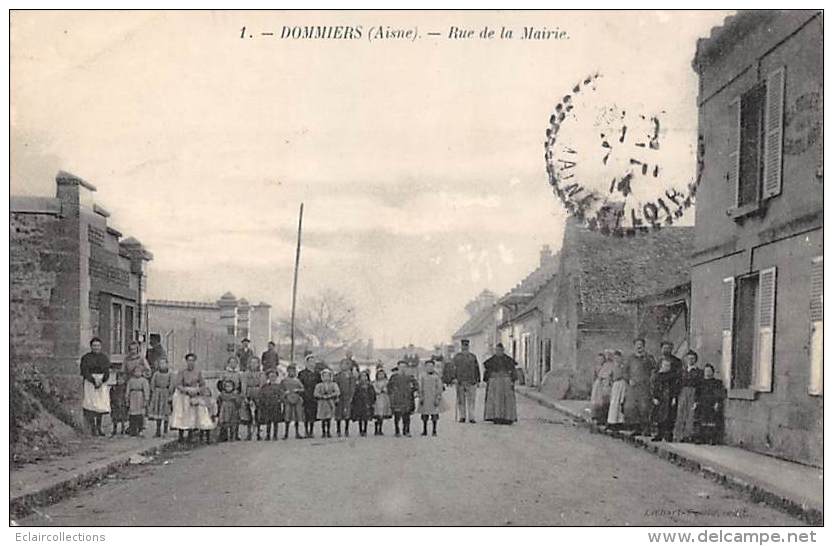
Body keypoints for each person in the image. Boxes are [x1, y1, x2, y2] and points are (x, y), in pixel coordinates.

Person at [623, 338, 657, 435]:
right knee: (633, 407)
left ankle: (646, 429)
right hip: (633, 388)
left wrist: (651, 379)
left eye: (641, 345)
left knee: (645, 407)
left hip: (644, 387)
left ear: (644, 346)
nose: (639, 347)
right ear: (634, 346)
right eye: (637, 345)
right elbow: (625, 372)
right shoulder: (630, 359)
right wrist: (629, 379)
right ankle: (637, 428)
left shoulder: (649, 358)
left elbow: (655, 370)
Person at [170, 353, 205, 442]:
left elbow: (202, 384)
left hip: (193, 394)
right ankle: (180, 435)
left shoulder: (198, 372)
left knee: (191, 415)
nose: (190, 363)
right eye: (189, 360)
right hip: (183, 395)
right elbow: (178, 384)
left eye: (192, 361)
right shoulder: (182, 372)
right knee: (181, 414)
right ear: (186, 361)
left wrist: (197, 390)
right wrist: (185, 390)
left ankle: (190, 435)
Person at [80, 337, 111, 436]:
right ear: (91, 346)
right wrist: (93, 380)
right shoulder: (86, 358)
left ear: (100, 347)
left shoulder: (104, 358)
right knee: (91, 404)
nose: (96, 348)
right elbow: (84, 371)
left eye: (98, 346)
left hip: (101, 382)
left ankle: (99, 427)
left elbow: (107, 371)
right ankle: (93, 427)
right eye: (94, 346)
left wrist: (102, 381)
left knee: (100, 405)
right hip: (90, 382)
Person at [482, 343, 518, 424]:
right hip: (494, 383)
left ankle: (507, 417)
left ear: (503, 350)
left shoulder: (508, 360)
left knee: (507, 400)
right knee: (495, 400)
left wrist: (513, 381)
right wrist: (487, 379)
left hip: (506, 382)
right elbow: (487, 372)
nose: (498, 352)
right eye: (497, 350)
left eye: (500, 350)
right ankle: (496, 417)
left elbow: (513, 371)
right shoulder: (491, 361)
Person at [674, 350, 704, 442]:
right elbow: (678, 384)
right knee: (681, 413)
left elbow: (700, 386)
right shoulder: (682, 371)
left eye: (693, 358)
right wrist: (676, 396)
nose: (690, 360)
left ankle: (688, 435)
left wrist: (697, 399)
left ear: (696, 360)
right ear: (686, 360)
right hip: (683, 393)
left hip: (693, 393)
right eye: (689, 358)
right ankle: (678, 435)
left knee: (690, 415)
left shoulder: (699, 372)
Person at [694, 364, 726, 445]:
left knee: (712, 422)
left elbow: (719, 394)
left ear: (713, 372)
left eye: (709, 371)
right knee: (701, 421)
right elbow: (697, 394)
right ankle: (701, 438)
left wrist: (717, 403)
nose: (708, 373)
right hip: (702, 404)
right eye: (706, 371)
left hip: (712, 404)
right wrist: (696, 403)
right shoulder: (700, 383)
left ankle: (711, 439)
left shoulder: (717, 383)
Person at [650, 356, 681, 442]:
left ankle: (668, 434)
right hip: (661, 399)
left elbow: (675, 387)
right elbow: (655, 388)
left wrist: (674, 397)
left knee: (669, 417)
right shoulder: (658, 376)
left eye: (668, 365)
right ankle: (659, 434)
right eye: (664, 365)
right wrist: (655, 397)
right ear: (661, 366)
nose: (666, 367)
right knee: (659, 417)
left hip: (669, 398)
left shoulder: (673, 376)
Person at [450, 339, 481, 423]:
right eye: (463, 346)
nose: (465, 348)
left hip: (471, 381)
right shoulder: (457, 357)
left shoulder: (473, 356)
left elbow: (477, 368)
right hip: (460, 381)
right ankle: (462, 416)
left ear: (468, 347)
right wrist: (454, 378)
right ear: (461, 346)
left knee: (471, 400)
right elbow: (453, 368)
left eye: (466, 346)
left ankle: (471, 417)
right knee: (461, 400)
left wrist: (478, 380)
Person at [387, 363, 418, 437]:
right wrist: (392, 393)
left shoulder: (410, 377)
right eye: (401, 367)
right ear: (398, 368)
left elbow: (416, 385)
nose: (403, 369)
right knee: (397, 416)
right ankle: (397, 431)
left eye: (404, 367)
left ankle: (406, 430)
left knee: (406, 416)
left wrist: (412, 390)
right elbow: (389, 386)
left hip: (407, 398)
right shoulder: (394, 377)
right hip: (397, 399)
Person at [148, 357, 174, 437]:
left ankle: (165, 431)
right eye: (160, 363)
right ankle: (158, 431)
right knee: (158, 413)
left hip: (165, 394)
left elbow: (172, 384)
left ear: (167, 364)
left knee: (165, 413)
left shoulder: (170, 374)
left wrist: (170, 394)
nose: (162, 365)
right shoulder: (156, 374)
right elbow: (152, 383)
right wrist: (154, 392)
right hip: (158, 394)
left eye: (163, 363)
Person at [418, 360, 444, 436]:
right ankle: (424, 430)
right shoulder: (422, 376)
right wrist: (421, 396)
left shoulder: (436, 377)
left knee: (434, 415)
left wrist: (438, 398)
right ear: (425, 367)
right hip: (425, 397)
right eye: (428, 366)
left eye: (431, 366)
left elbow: (439, 388)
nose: (430, 368)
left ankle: (434, 430)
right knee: (424, 415)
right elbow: (420, 387)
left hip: (433, 397)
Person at [257, 369, 284, 441]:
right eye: (271, 376)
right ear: (268, 377)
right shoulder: (265, 386)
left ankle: (275, 435)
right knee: (268, 420)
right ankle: (268, 435)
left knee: (275, 421)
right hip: (267, 405)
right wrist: (262, 402)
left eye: (274, 376)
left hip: (276, 405)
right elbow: (261, 395)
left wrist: (280, 400)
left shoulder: (279, 386)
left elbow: (282, 395)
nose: (273, 378)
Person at [298, 357, 321, 438]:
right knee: (306, 414)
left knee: (313, 414)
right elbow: (299, 384)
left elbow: (319, 384)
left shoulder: (317, 374)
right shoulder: (302, 373)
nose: (312, 363)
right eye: (310, 362)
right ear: (306, 363)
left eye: (313, 362)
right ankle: (306, 430)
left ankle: (311, 430)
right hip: (305, 395)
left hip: (314, 395)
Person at [281, 365, 306, 439]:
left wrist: (297, 390)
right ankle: (286, 433)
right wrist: (285, 393)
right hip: (288, 399)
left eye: (293, 371)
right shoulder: (284, 381)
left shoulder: (297, 380)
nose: (292, 372)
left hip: (296, 399)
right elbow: (281, 390)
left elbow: (302, 389)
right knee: (287, 416)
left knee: (297, 416)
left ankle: (297, 433)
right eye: (290, 371)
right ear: (287, 371)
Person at [314, 368, 340, 438]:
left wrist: (330, 395)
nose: (326, 377)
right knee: (323, 418)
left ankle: (328, 431)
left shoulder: (333, 384)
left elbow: (337, 392)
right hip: (322, 403)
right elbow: (315, 393)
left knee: (328, 418)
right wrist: (321, 396)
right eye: (324, 376)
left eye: (328, 376)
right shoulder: (319, 385)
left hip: (330, 402)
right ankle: (323, 432)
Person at [240, 362, 263, 440]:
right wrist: (245, 395)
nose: (253, 365)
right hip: (249, 392)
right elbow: (244, 384)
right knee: (248, 414)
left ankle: (258, 433)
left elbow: (262, 384)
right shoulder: (246, 374)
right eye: (252, 363)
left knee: (258, 413)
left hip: (258, 393)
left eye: (255, 363)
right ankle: (249, 433)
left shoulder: (261, 374)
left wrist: (261, 395)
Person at [590, 351, 614, 423]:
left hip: (605, 385)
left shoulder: (607, 366)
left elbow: (609, 375)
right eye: (599, 359)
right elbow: (594, 377)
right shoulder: (596, 367)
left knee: (605, 400)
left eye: (602, 359)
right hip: (598, 386)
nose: (600, 361)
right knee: (596, 401)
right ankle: (595, 416)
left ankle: (603, 417)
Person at [126, 365, 150, 437]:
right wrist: (127, 398)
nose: (137, 373)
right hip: (133, 398)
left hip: (140, 397)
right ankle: (133, 430)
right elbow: (128, 390)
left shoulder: (144, 381)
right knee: (132, 415)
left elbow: (146, 391)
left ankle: (140, 429)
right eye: (136, 371)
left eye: (139, 371)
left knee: (140, 415)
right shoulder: (131, 380)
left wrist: (146, 400)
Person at [334, 359, 356, 437]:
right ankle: (338, 430)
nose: (344, 366)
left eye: (346, 364)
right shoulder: (337, 376)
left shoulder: (351, 376)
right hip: (339, 396)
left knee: (347, 413)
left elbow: (353, 387)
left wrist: (351, 396)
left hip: (347, 396)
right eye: (342, 364)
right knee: (338, 413)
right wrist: (336, 396)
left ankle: (346, 430)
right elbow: (335, 385)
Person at [351, 370, 376, 437]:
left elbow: (372, 394)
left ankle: (365, 430)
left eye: (365, 376)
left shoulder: (370, 385)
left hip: (367, 402)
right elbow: (355, 394)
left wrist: (372, 401)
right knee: (360, 417)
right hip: (359, 403)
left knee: (365, 417)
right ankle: (360, 430)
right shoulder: (358, 385)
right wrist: (353, 402)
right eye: (362, 376)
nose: (364, 378)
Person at [606, 351, 627, 429]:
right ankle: (612, 421)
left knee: (621, 402)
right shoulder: (612, 367)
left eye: (618, 358)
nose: (617, 359)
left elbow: (626, 374)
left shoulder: (623, 366)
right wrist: (610, 383)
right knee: (614, 402)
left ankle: (620, 421)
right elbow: (609, 376)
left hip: (622, 384)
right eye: (615, 358)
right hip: (616, 384)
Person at [372, 368, 392, 435]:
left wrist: (385, 390)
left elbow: (388, 389)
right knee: (377, 414)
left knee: (382, 414)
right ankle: (376, 429)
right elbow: (374, 389)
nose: (381, 376)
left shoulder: (386, 382)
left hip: (384, 398)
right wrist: (379, 390)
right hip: (377, 398)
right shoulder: (375, 382)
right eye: (379, 374)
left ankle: (380, 429)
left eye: (382, 374)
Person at [109, 371, 128, 437]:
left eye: (122, 379)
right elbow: (111, 395)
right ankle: (114, 429)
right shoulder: (114, 388)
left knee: (123, 417)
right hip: (115, 404)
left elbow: (126, 395)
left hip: (123, 404)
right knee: (115, 417)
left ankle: (123, 429)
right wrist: (112, 402)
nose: (120, 381)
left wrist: (126, 402)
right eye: (119, 379)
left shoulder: (125, 388)